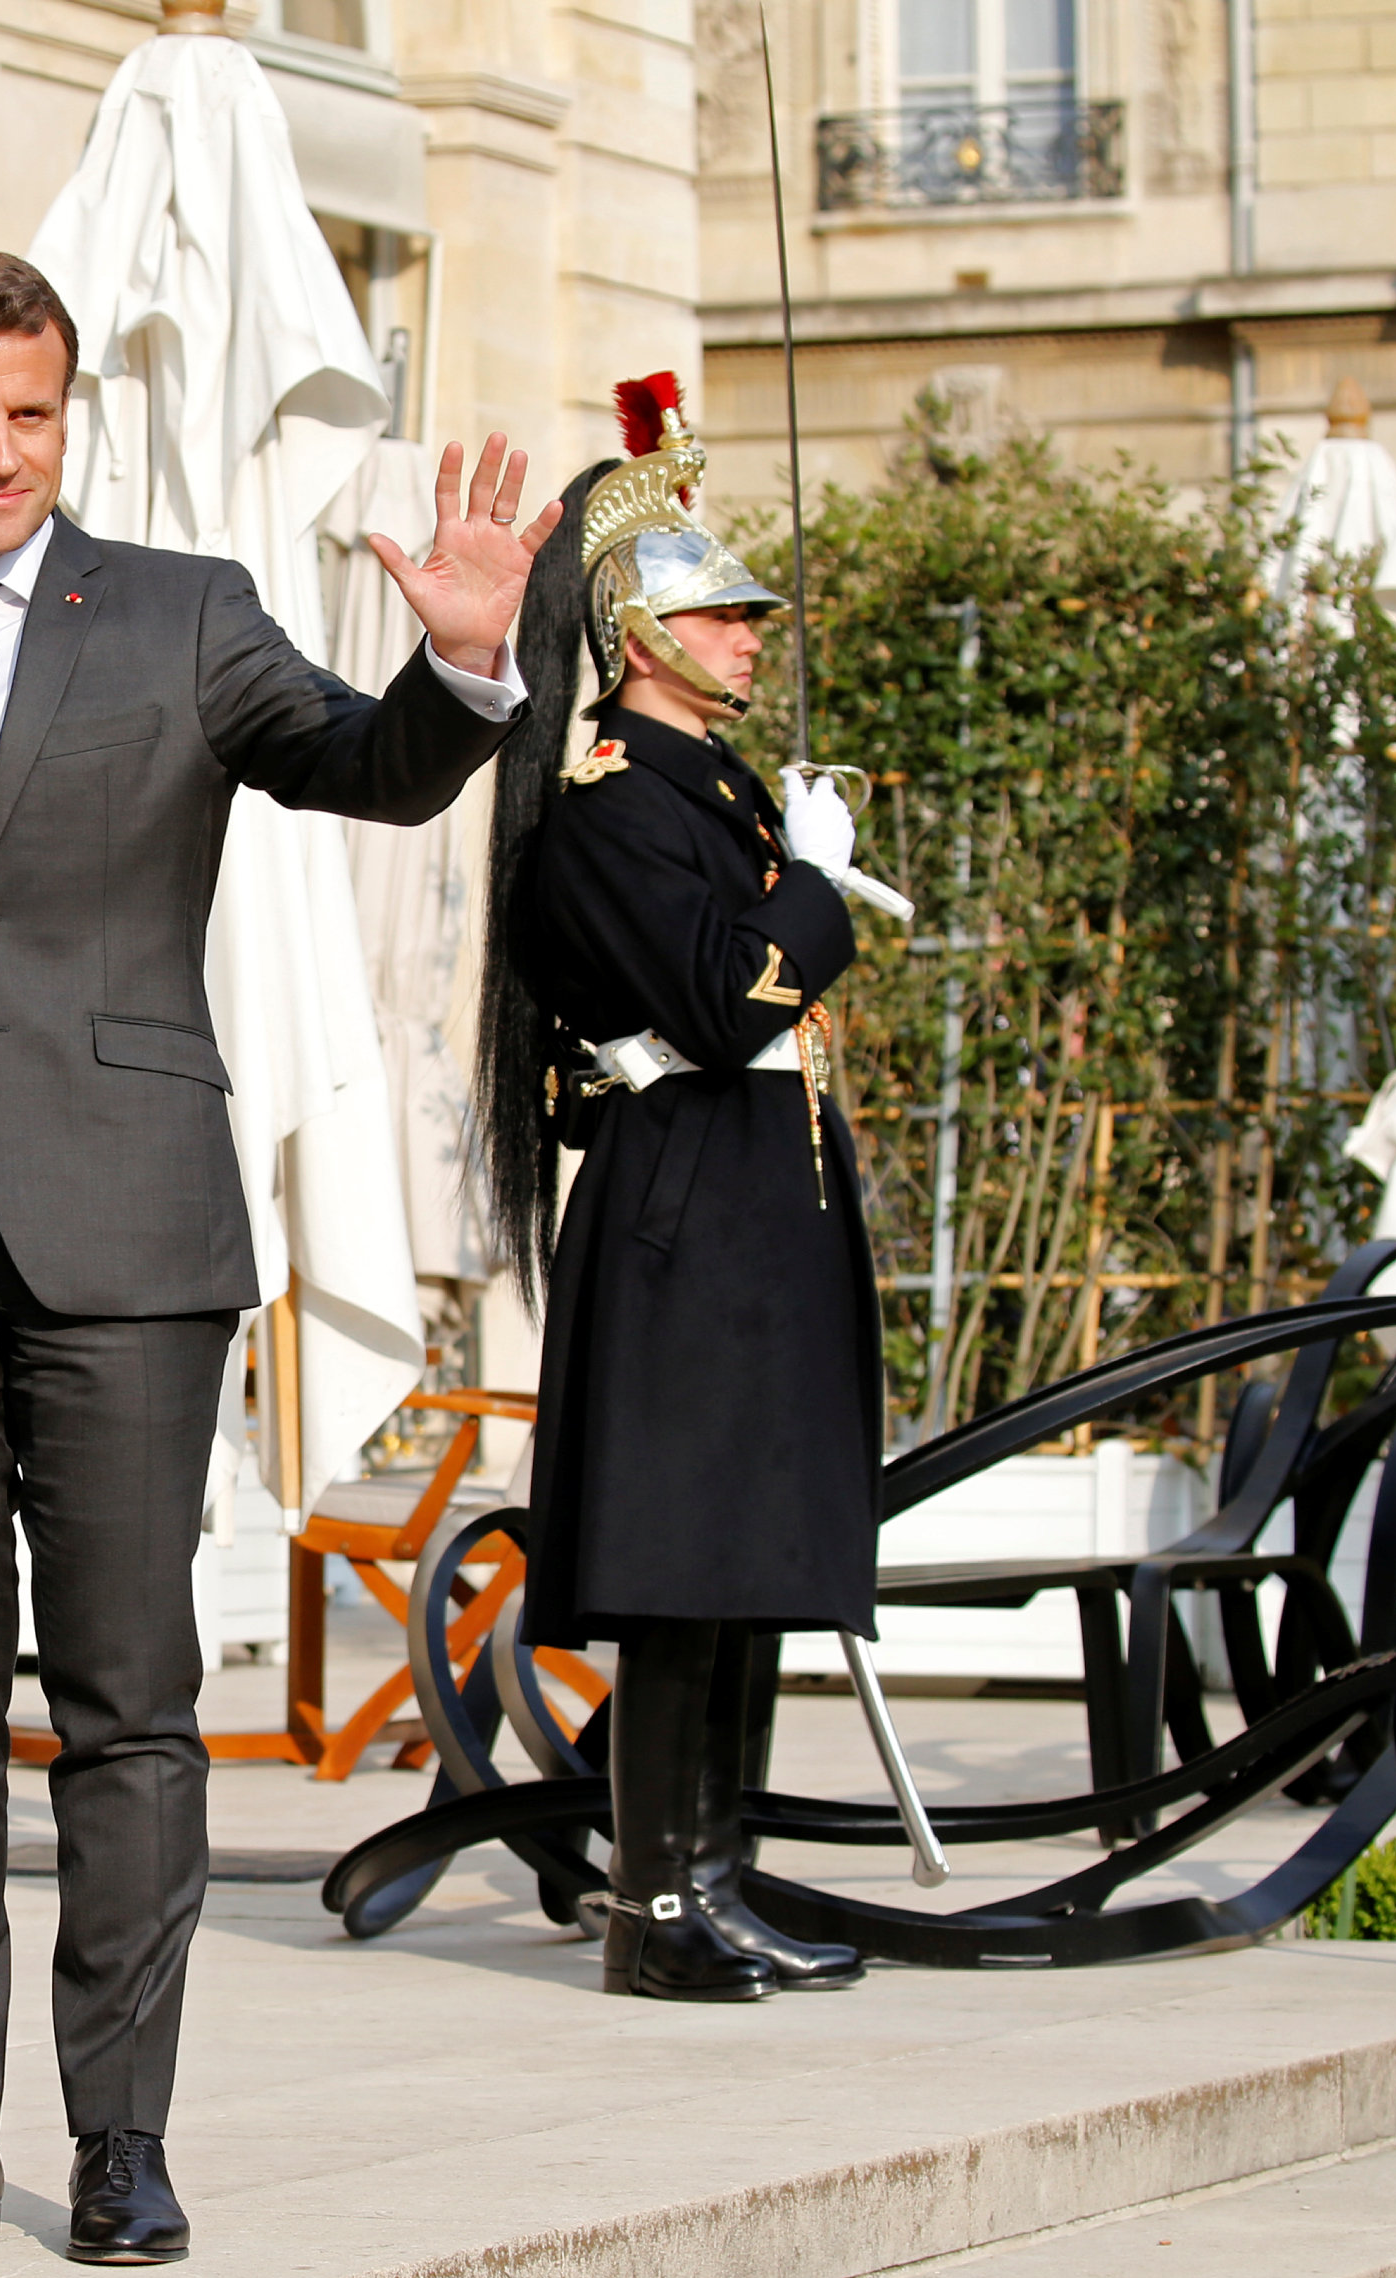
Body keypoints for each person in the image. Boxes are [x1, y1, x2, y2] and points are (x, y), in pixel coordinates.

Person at [0, 251, 556, 2268]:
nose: (2, 452)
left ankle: (119, 2138)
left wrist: (458, 671)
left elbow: (353, 763)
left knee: (128, 1705)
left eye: (33, 414)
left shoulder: (183, 615)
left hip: (126, 1232)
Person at [482, 373, 884, 2005]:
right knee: (683, 1572)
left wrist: (786, 870)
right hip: (684, 1214)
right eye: (720, 617)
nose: (749, 638)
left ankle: (718, 1875)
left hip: (752, 1204)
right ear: (641, 636)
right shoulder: (618, 809)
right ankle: (655, 1908)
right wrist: (819, 890)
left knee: (755, 1559)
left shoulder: (712, 797)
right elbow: (727, 1002)